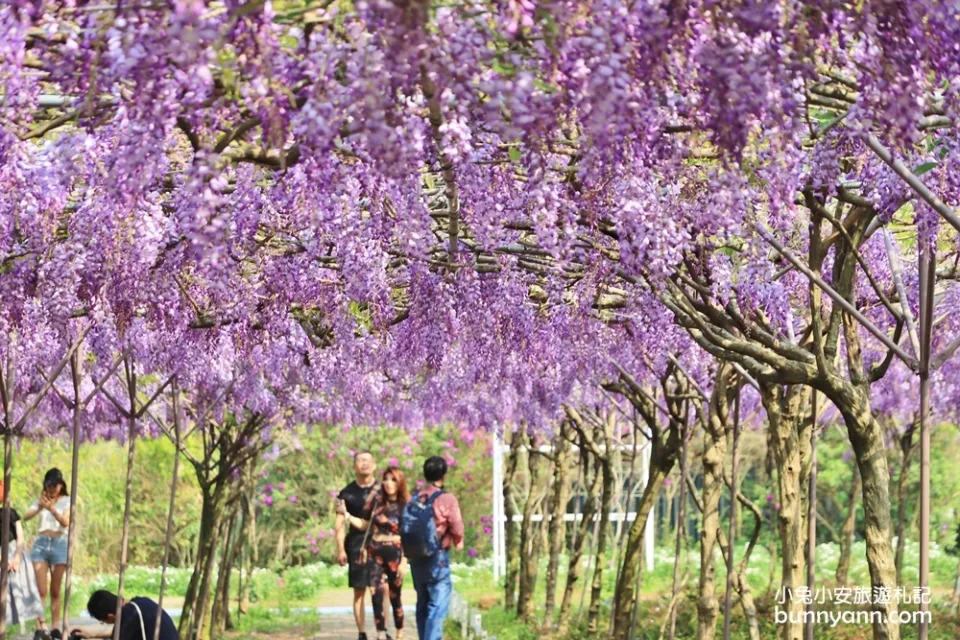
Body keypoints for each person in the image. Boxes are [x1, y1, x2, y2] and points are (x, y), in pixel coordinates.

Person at [346, 467, 411, 640]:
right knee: (375, 592)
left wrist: (405, 561)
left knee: (394, 595)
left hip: (396, 553)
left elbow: (408, 535)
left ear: (400, 482)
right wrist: (347, 516)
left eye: (393, 480)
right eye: (386, 479)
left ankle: (399, 630)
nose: (388, 483)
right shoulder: (376, 502)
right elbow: (364, 524)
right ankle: (380, 633)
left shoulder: (406, 505)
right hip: (375, 551)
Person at [403, 456, 463, 640]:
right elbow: (457, 526)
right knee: (438, 603)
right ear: (443, 475)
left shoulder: (415, 498)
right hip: (437, 557)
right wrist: (458, 541)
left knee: (422, 602)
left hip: (416, 557)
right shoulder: (447, 499)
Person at [335, 451, 380, 640]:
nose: (364, 464)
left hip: (379, 543)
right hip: (356, 545)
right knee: (359, 591)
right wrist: (340, 549)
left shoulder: (382, 489)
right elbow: (339, 524)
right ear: (354, 466)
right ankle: (362, 632)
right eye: (360, 461)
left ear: (374, 465)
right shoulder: (347, 493)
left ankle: (381, 630)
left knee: (378, 589)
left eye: (368, 461)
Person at [22, 468, 72, 640]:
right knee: (41, 590)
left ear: (61, 485)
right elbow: (25, 516)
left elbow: (66, 523)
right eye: (49, 486)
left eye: (55, 486)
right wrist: (40, 507)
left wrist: (52, 510)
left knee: (55, 591)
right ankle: (40, 627)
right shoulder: (41, 500)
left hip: (60, 544)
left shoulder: (67, 501)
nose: (51, 489)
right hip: (41, 544)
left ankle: (55, 627)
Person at [0, 481, 45, 636]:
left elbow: (20, 536)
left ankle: (41, 628)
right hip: (2, 556)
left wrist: (17, 558)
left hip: (15, 552)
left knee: (28, 589)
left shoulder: (10, 512)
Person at [68, 590, 178, 640]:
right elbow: (119, 632)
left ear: (111, 616)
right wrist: (91, 634)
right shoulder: (139, 603)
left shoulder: (129, 615)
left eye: (103, 622)